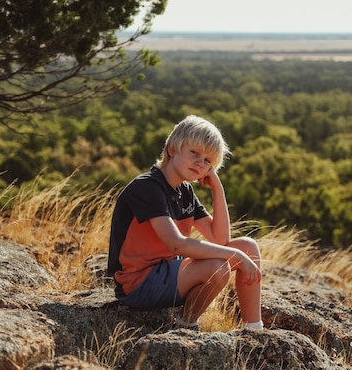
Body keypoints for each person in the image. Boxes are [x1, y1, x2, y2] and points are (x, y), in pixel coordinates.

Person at [107, 115, 263, 331]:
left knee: (248, 247)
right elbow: (176, 244)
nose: (201, 163)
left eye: (208, 161)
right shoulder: (147, 187)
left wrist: (217, 188)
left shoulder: (184, 191)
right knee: (218, 266)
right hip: (139, 283)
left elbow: (220, 239)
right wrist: (235, 256)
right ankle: (185, 327)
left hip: (168, 272)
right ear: (172, 149)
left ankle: (254, 331)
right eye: (194, 153)